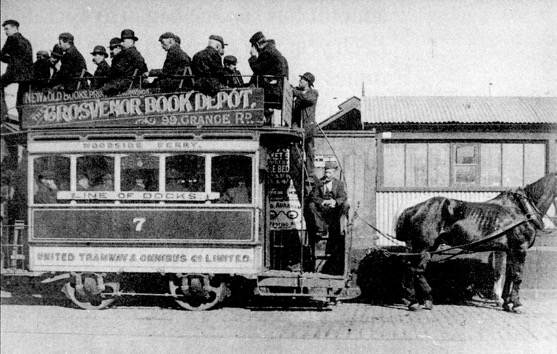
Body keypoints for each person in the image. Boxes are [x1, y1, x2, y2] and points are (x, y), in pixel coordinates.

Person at [308, 161, 348, 254]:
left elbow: (343, 196)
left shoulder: (339, 183)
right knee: (311, 205)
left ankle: (341, 227)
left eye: (330, 173)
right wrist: (323, 202)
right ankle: (320, 229)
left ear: (334, 173)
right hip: (322, 210)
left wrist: (335, 202)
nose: (327, 175)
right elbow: (313, 196)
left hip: (334, 210)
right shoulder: (319, 182)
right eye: (326, 172)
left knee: (345, 205)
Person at [1, 20, 33, 121]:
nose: (5, 32)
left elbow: (2, 55)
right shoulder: (26, 41)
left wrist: (9, 59)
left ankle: (2, 115)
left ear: (15, 28)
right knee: (21, 99)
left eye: (7, 29)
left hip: (14, 72)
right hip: (27, 75)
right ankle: (24, 121)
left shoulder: (12, 38)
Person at [247, 31, 289, 110]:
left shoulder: (266, 52)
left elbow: (257, 70)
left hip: (273, 91)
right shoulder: (272, 51)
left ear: (256, 45)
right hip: (278, 89)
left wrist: (253, 57)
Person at [292, 72, 319, 176]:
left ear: (307, 82)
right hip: (299, 126)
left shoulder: (314, 93)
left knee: (309, 150)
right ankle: (299, 171)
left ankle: (310, 173)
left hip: (308, 127)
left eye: (302, 80)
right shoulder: (299, 94)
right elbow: (295, 112)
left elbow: (307, 99)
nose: (299, 81)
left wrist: (296, 92)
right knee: (297, 151)